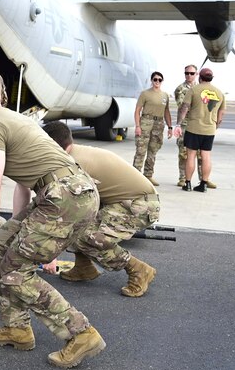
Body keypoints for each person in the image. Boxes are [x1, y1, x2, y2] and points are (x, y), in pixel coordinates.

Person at [0, 65, 105, 369]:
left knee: (16, 270)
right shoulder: (14, 119)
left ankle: (80, 333)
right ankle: (17, 328)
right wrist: (23, 236)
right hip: (70, 192)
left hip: (63, 197)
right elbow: (24, 183)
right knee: (3, 245)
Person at [42, 121, 159, 297]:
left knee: (88, 236)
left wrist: (50, 253)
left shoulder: (74, 164)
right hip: (120, 201)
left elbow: (66, 208)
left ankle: (138, 269)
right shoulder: (72, 153)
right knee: (77, 225)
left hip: (140, 204)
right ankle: (84, 268)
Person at [175, 67, 226, 192]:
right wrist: (215, 126)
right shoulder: (219, 93)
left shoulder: (193, 90)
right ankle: (203, 184)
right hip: (209, 129)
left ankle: (187, 184)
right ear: (211, 78)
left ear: (200, 77)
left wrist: (178, 124)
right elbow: (221, 113)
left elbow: (184, 108)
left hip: (193, 128)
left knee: (191, 156)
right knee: (206, 156)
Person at [132, 71, 172, 186]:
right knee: (141, 150)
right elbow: (137, 110)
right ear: (152, 81)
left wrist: (170, 127)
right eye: (155, 79)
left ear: (162, 81)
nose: (157, 81)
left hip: (159, 124)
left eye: (159, 79)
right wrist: (138, 126)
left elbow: (167, 112)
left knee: (153, 150)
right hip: (146, 122)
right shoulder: (145, 94)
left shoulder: (165, 95)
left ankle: (148, 175)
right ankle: (136, 176)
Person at [174, 64, 210, 187]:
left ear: (197, 75)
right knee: (184, 153)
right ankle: (183, 178)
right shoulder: (181, 89)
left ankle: (203, 179)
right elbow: (183, 107)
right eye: (186, 73)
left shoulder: (201, 88)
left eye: (191, 73)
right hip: (185, 125)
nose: (189, 75)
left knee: (202, 154)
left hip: (198, 125)